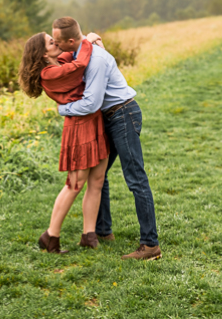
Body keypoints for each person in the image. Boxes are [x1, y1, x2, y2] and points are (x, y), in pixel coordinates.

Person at [52, 16, 161, 260]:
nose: (56, 45)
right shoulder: (80, 52)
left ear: (71, 40)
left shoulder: (95, 60)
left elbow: (91, 103)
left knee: (136, 178)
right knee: (97, 175)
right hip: (109, 118)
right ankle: (102, 231)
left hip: (122, 115)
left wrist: (63, 109)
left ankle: (150, 245)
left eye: (58, 41)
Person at [19, 31, 109, 253]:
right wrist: (88, 40)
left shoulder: (59, 60)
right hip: (79, 128)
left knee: (97, 180)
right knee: (74, 184)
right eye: (52, 42)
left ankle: (89, 235)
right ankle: (51, 236)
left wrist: (86, 39)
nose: (56, 42)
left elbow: (75, 52)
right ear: (42, 54)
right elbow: (79, 64)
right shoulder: (49, 74)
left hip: (94, 121)